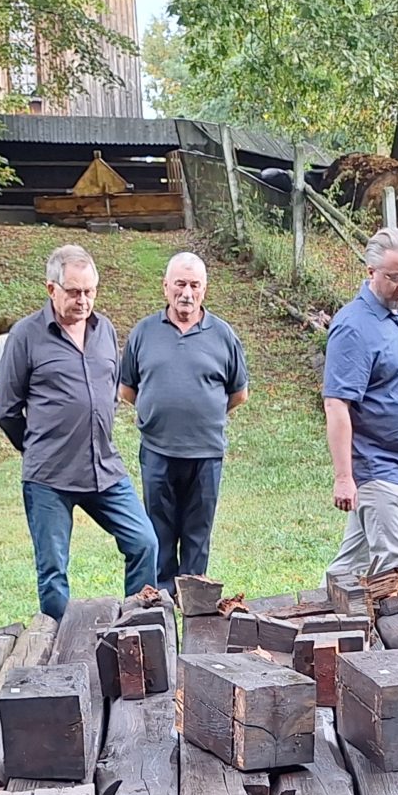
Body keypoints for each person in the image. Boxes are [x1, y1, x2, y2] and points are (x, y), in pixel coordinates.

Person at [0, 243, 158, 621]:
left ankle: (137, 629)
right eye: (73, 292)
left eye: (90, 291)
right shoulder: (26, 336)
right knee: (53, 571)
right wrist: (39, 447)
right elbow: (7, 411)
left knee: (144, 542)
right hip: (49, 476)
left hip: (104, 468)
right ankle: (58, 647)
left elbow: (110, 392)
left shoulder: (105, 331)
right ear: (51, 289)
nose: (83, 301)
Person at [323, 226, 398, 581]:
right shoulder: (353, 327)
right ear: (371, 272)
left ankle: (312, 614)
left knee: (350, 569)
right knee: (393, 566)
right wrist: (344, 478)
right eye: (395, 277)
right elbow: (336, 405)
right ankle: (388, 621)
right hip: (377, 463)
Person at [118, 252, 249, 588]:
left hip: (206, 453)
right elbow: (127, 389)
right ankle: (161, 597)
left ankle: (193, 597)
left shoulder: (223, 335)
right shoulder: (144, 332)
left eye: (194, 285)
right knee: (158, 531)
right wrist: (157, 412)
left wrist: (203, 415)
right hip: (157, 451)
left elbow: (239, 394)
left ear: (204, 289)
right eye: (180, 284)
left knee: (197, 533)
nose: (187, 293)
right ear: (165, 287)